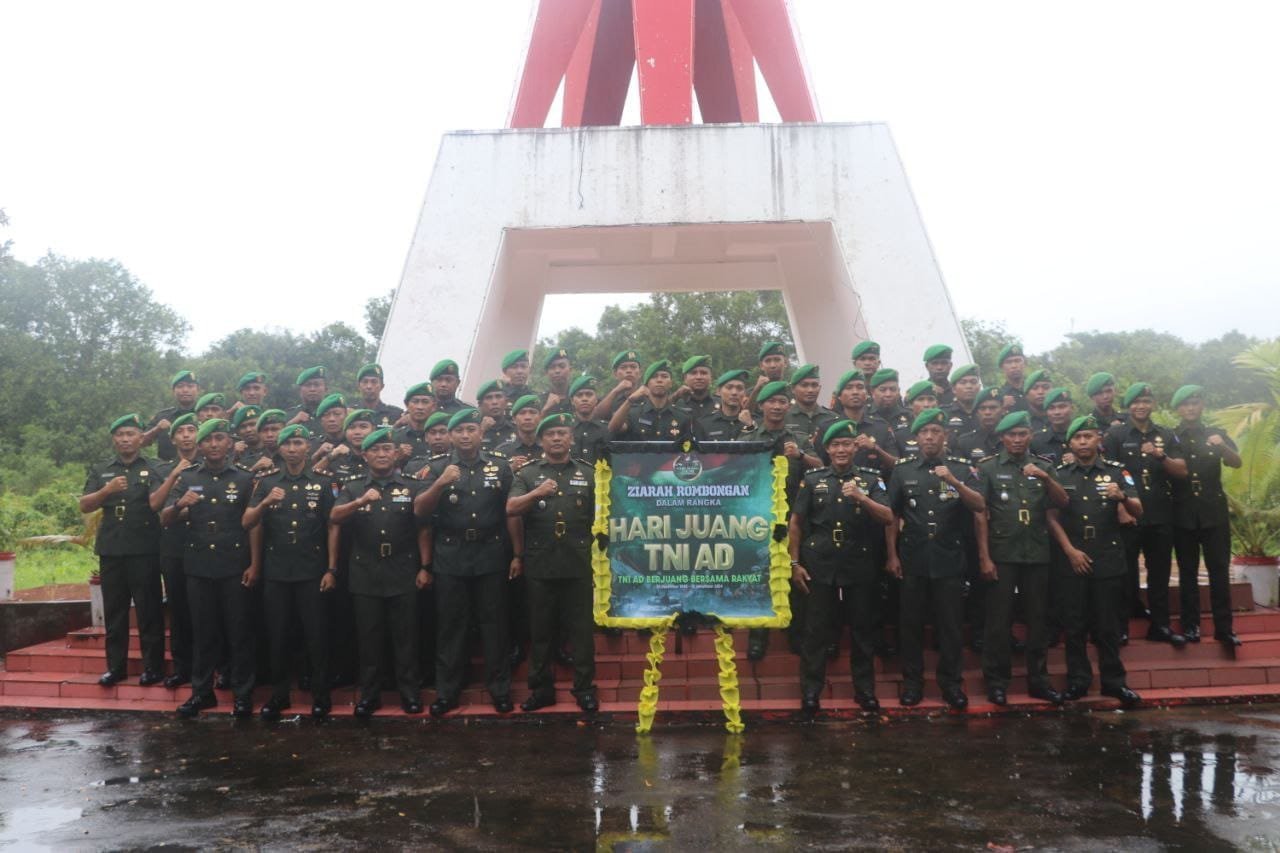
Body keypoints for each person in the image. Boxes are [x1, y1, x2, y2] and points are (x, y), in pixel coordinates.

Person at [416, 409, 517, 717]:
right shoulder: (436, 468)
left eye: (470, 429)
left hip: (491, 553)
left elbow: (512, 512)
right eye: (458, 430)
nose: (464, 435)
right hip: (451, 555)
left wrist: (516, 554)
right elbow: (420, 511)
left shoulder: (499, 467)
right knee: (451, 627)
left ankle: (499, 690)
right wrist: (440, 484)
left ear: (480, 433)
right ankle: (447, 692)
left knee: (494, 625)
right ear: (449, 435)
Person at [884, 408, 986, 709]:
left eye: (935, 432)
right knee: (911, 625)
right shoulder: (903, 470)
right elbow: (892, 516)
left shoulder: (961, 467)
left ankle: (951, 685)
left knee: (951, 626)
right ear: (916, 438)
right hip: (913, 557)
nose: (930, 437)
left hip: (949, 559)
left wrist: (954, 481)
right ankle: (912, 684)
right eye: (924, 432)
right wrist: (891, 555)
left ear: (946, 436)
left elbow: (979, 505)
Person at [790, 420, 893, 714]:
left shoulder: (871, 480)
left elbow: (887, 517)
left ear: (854, 447)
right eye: (835, 445)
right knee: (816, 631)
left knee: (863, 630)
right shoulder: (812, 479)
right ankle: (811, 692)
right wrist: (795, 563)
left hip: (858, 563)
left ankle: (865, 691)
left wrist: (862, 498)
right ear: (827, 449)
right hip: (820, 564)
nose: (841, 450)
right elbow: (796, 523)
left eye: (846, 444)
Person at [331, 428, 431, 716]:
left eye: (387, 448)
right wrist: (360, 502)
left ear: (396, 453)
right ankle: (369, 695)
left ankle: (410, 694)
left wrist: (425, 567)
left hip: (403, 569)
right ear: (364, 455)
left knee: (406, 638)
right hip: (366, 571)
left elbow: (424, 528)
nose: (382, 454)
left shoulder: (412, 486)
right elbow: (334, 517)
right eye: (375, 450)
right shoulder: (352, 487)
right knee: (369, 638)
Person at [163, 419, 258, 718]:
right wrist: (180, 505)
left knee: (239, 631)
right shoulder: (188, 477)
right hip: (199, 566)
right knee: (203, 633)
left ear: (229, 443)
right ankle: (201, 693)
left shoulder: (244, 478)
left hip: (234, 565)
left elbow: (254, 524)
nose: (214, 444)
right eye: (208, 440)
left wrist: (255, 563)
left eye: (219, 438)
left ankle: (243, 695)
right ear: (200, 445)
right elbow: (164, 519)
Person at [973, 411, 1069, 706]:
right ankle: (997, 682)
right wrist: (984, 557)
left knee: (1037, 621)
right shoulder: (988, 468)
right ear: (1002, 437)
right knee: (998, 622)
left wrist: (1044, 478)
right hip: (1002, 554)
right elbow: (980, 513)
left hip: (1036, 552)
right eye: (1011, 435)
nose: (1017, 440)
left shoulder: (1043, 466)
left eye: (1022, 434)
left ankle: (1038, 680)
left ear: (1030, 436)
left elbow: (1063, 501)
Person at [1047, 415, 1143, 707]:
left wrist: (1123, 497)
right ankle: (1078, 681)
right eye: (1078, 438)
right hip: (1073, 557)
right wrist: (1069, 551)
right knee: (1075, 624)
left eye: (1088, 436)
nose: (1083, 442)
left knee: (1108, 624)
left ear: (1098, 440)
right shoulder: (1059, 474)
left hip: (1107, 555)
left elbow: (1138, 510)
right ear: (1070, 442)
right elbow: (1050, 517)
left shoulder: (1117, 472)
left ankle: (1115, 682)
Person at [507, 413, 599, 713]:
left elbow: (601, 516)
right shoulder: (528, 474)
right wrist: (536, 493)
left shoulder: (588, 473)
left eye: (562, 433)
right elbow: (511, 508)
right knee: (541, 629)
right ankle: (541, 689)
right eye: (551, 434)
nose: (557, 438)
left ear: (571, 438)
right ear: (542, 440)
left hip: (577, 560)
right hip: (540, 562)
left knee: (581, 629)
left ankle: (584, 688)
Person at [243, 423, 334, 719]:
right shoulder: (267, 483)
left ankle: (321, 696)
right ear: (279, 449)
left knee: (317, 635)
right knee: (277, 635)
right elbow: (248, 523)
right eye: (287, 444)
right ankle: (279, 696)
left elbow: (333, 526)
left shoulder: (322, 482)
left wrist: (331, 568)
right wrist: (266, 502)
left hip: (312, 569)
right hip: (277, 571)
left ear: (308, 446)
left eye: (298, 443)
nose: (293, 449)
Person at [80, 414, 166, 688]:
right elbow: (85, 505)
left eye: (131, 434)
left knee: (148, 611)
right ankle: (115, 668)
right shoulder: (101, 469)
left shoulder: (154, 468)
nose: (126, 439)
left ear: (141, 438)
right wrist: (107, 490)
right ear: (114, 439)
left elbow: (157, 502)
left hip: (145, 550)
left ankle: (153, 669)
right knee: (115, 613)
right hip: (112, 551)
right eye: (120, 435)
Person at [740, 380, 822, 660]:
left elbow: (823, 466)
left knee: (796, 574)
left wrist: (800, 455)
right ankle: (758, 636)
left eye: (782, 402)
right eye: (771, 402)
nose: (777, 407)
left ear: (788, 406)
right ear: (761, 405)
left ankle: (796, 633)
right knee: (759, 576)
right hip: (758, 516)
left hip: (795, 517)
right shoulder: (749, 438)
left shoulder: (798, 438)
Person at [1103, 382, 1189, 646]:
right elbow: (1108, 473)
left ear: (1153, 405)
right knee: (1124, 572)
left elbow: (1182, 471)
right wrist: (1119, 508)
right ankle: (1121, 626)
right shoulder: (1115, 436)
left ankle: (1160, 626)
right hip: (1129, 514)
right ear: (1129, 406)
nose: (1141, 407)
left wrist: (1161, 456)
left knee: (1160, 571)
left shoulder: (1165, 434)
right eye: (1136, 402)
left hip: (1161, 514)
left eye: (1146, 402)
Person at [1170, 385, 1242, 648]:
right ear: (1178, 409)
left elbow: (1236, 462)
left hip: (1213, 511)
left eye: (1195, 403)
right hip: (1182, 511)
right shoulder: (1171, 438)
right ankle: (1191, 626)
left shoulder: (1217, 434)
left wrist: (1222, 447)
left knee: (1219, 570)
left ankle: (1225, 628)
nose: (1190, 408)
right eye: (1185, 404)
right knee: (1187, 571)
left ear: (1202, 406)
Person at [149, 413, 200, 688]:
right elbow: (161, 513)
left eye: (191, 430)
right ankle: (182, 668)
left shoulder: (212, 465)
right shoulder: (162, 469)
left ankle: (214, 667)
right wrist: (187, 507)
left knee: (207, 611)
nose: (186, 435)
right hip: (174, 549)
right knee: (179, 611)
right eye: (181, 431)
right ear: (173, 439)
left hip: (207, 549)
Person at [608, 360, 693, 441]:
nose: (659, 380)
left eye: (664, 376)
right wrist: (630, 400)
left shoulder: (683, 416)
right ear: (646, 384)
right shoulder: (633, 413)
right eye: (654, 377)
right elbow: (613, 428)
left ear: (671, 383)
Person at [143, 370, 200, 461]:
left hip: (202, 471)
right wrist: (157, 429)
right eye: (180, 386)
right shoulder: (162, 416)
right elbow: (140, 442)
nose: (185, 390)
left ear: (198, 390)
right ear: (173, 391)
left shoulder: (207, 415)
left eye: (190, 386)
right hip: (166, 470)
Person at [786, 364, 839, 447]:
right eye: (804, 385)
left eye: (814, 385)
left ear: (819, 388)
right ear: (793, 389)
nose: (810, 390)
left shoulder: (833, 418)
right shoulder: (784, 418)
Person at [694, 369, 752, 442]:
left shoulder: (754, 421)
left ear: (744, 392)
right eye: (729, 387)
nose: (734, 392)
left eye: (739, 388)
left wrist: (750, 426)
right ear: (718, 391)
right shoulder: (703, 424)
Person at [955, 388, 1005, 465]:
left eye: (993, 408)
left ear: (1003, 410)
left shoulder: (1013, 439)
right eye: (982, 408)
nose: (987, 412)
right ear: (976, 413)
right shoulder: (964, 442)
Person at [568, 375, 610, 464]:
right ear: (572, 401)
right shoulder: (565, 430)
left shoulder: (607, 429)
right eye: (579, 395)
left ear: (596, 400)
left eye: (589, 394)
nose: (584, 399)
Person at [893, 381, 939, 460]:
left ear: (937, 403)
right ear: (910, 404)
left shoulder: (946, 433)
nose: (926, 404)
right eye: (920, 399)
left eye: (931, 399)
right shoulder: (900, 435)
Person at [1031, 388, 1076, 464]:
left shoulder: (1084, 436)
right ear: (1046, 412)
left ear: (1072, 408)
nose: (1057, 412)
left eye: (1062, 407)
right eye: (1051, 408)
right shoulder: (1036, 441)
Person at [593, 350, 643, 418]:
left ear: (640, 373)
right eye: (623, 367)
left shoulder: (647, 397)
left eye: (633, 367)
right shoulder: (609, 399)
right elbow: (596, 416)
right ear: (615, 374)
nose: (629, 371)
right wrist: (615, 391)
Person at [396, 381, 436, 463]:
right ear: (407, 405)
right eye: (415, 401)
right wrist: (396, 457)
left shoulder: (439, 437)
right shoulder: (396, 437)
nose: (420, 407)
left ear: (433, 406)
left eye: (425, 402)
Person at [355, 363, 404, 428]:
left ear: (382, 386)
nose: (369, 386)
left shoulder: (396, 415)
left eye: (374, 382)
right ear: (358, 386)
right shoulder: (351, 413)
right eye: (365, 382)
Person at [672, 355, 719, 421]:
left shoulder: (722, 405)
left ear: (711, 377)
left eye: (703, 373)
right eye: (693, 373)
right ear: (685, 378)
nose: (699, 377)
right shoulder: (676, 404)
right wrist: (675, 397)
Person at [477, 379, 518, 451]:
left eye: (498, 396)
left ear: (506, 402)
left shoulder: (516, 429)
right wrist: (482, 431)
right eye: (489, 398)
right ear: (480, 404)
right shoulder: (472, 429)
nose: (494, 402)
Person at [944, 364, 982, 438]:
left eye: (973, 382)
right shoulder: (944, 414)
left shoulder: (987, 412)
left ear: (979, 387)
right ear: (954, 389)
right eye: (963, 382)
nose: (969, 386)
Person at [539, 347, 575, 416]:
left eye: (562, 366)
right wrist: (545, 409)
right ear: (547, 373)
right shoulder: (539, 401)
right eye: (552, 367)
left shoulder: (579, 397)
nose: (557, 371)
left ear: (570, 370)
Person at [996, 344, 1026, 412]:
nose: (1014, 366)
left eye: (1017, 361)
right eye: (1009, 362)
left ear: (1024, 363)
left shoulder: (1034, 390)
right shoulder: (999, 396)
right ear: (1002, 367)